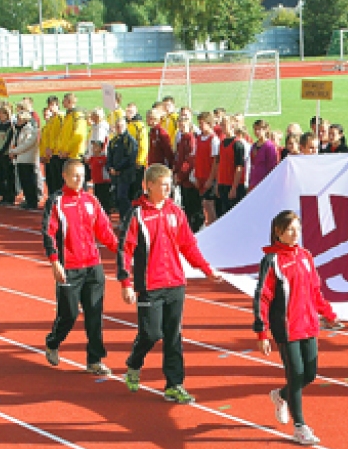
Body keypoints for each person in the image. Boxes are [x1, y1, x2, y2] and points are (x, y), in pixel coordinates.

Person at [118, 164, 225, 403]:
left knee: (173, 335)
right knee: (150, 333)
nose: (168, 189)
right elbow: (125, 249)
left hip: (175, 283)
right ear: (149, 186)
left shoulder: (175, 212)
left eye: (170, 185)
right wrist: (125, 282)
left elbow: (188, 245)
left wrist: (206, 270)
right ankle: (135, 362)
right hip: (150, 285)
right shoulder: (137, 215)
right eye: (163, 185)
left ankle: (174, 384)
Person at [255, 210, 343, 446]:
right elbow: (262, 297)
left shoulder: (306, 256)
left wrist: (329, 314)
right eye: (290, 229)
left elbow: (315, 290)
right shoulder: (271, 261)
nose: (295, 234)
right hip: (286, 327)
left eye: (298, 229)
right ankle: (300, 427)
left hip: (308, 324)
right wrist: (262, 332)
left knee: (310, 374)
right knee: (295, 374)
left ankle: (280, 395)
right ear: (278, 232)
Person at [42, 159, 120, 375]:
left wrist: (122, 252)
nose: (79, 180)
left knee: (95, 314)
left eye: (82, 175)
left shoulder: (91, 201)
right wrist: (54, 261)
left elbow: (104, 231)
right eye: (75, 176)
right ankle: (53, 342)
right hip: (69, 267)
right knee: (69, 314)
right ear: (65, 176)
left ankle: (94, 360)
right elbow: (48, 232)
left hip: (93, 266)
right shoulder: (56, 201)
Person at [107, 116, 139, 225]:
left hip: (126, 175)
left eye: (121, 126)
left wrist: (117, 168)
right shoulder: (113, 140)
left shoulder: (130, 141)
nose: (119, 128)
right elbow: (109, 155)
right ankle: (123, 218)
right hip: (115, 175)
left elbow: (130, 158)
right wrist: (110, 168)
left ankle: (128, 219)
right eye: (117, 126)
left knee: (123, 196)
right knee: (117, 197)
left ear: (125, 126)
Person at [9, 106, 41, 210]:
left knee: (30, 181)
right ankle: (28, 199)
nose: (18, 121)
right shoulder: (18, 130)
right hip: (20, 159)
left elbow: (27, 144)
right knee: (24, 181)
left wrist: (15, 151)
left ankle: (32, 201)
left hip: (28, 159)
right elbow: (14, 142)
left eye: (20, 119)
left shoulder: (31, 129)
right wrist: (12, 150)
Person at [193, 112, 221, 227]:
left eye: (202, 123)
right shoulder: (199, 138)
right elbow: (196, 157)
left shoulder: (214, 139)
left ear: (209, 124)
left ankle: (213, 226)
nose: (199, 126)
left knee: (209, 204)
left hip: (208, 177)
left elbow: (215, 161)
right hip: (200, 176)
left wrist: (211, 179)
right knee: (203, 205)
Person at [218, 123, 250, 217]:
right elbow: (220, 164)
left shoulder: (237, 144)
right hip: (223, 183)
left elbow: (239, 167)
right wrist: (218, 183)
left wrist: (234, 187)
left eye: (225, 124)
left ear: (232, 126)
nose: (222, 127)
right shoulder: (222, 143)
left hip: (233, 185)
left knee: (235, 214)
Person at [0, 105, 18, 205]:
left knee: (8, 177)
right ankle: (3, 195)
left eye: (1, 113)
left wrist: (0, 152)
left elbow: (8, 142)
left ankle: (10, 197)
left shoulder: (10, 126)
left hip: (6, 155)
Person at [41, 96, 64, 196]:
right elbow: (46, 139)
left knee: (58, 181)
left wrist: (53, 148)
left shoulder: (61, 117)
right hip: (49, 154)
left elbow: (61, 136)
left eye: (52, 105)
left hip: (57, 153)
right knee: (51, 181)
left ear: (57, 105)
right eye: (49, 105)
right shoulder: (51, 120)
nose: (50, 107)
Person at [87, 140, 113, 215]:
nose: (93, 148)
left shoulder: (104, 158)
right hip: (96, 181)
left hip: (104, 182)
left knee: (104, 198)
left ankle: (106, 212)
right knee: (97, 197)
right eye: (93, 146)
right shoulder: (92, 158)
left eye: (96, 146)